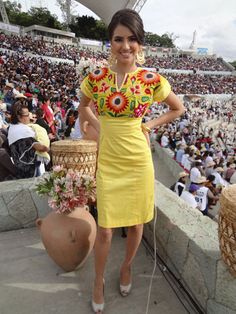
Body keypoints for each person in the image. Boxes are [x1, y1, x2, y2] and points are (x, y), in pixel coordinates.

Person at [79, 9, 185, 313]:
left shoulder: (152, 79)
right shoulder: (96, 77)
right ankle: (98, 281)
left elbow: (177, 108)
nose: (125, 45)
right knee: (105, 229)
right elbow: (84, 108)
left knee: (137, 223)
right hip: (110, 160)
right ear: (110, 42)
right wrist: (102, 128)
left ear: (140, 42)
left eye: (132, 39)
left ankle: (126, 267)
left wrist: (149, 126)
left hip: (138, 159)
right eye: (118, 39)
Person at [7, 101, 49, 179]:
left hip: (20, 164)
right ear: (19, 117)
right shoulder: (22, 131)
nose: (29, 117)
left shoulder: (12, 126)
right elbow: (41, 148)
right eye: (27, 115)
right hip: (27, 168)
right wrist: (48, 148)